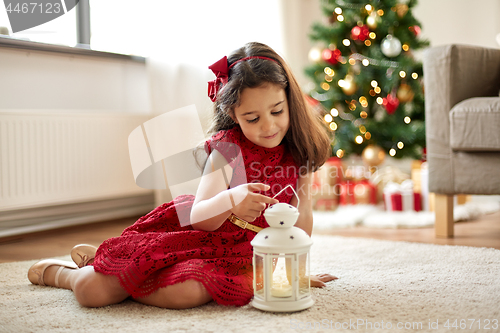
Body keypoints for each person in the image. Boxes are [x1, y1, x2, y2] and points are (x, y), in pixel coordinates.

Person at [27, 42, 337, 309]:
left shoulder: (298, 152)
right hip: (203, 237)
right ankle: (67, 273)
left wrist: (295, 271)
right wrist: (232, 199)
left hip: (249, 255)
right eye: (252, 118)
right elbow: (199, 216)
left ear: (289, 100)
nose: (268, 127)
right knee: (91, 293)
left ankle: (118, 270)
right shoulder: (228, 150)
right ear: (233, 115)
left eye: (277, 111)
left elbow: (303, 214)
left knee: (187, 292)